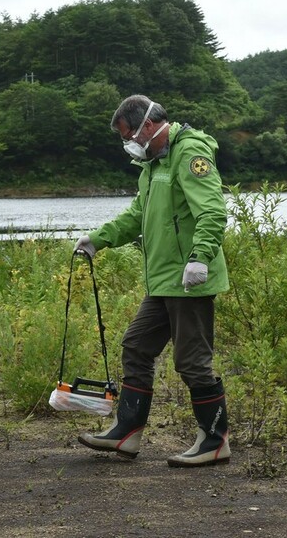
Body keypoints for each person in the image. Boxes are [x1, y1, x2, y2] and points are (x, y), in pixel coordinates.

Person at [74, 94, 231, 467]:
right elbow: (136, 216)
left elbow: (212, 210)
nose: (128, 143)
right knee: (137, 346)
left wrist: (200, 258)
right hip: (162, 281)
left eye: (129, 135)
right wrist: (98, 238)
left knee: (192, 362)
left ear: (147, 125)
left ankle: (215, 441)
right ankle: (126, 433)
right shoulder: (152, 164)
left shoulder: (188, 152)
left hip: (190, 279)